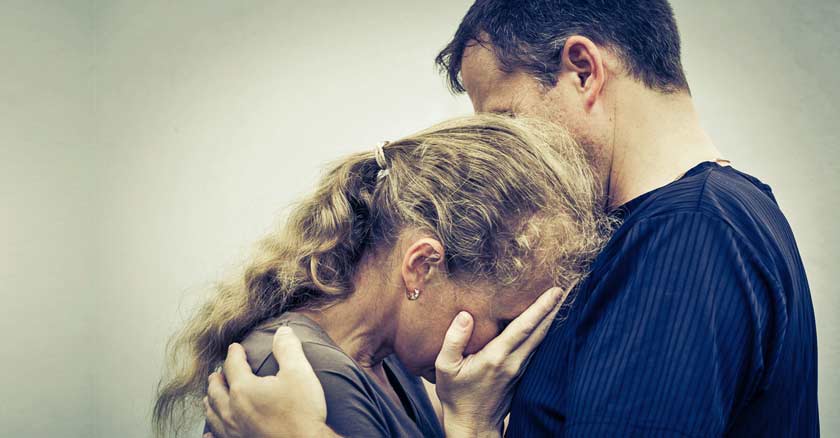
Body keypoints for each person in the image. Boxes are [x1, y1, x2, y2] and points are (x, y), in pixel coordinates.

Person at [203, 0, 820, 436]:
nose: (508, 150)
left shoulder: (690, 235)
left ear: (582, 69)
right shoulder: (670, 228)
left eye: (507, 117)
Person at [153, 115, 613, 437]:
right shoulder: (306, 374)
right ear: (421, 267)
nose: (503, 349)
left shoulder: (389, 363)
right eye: (502, 322)